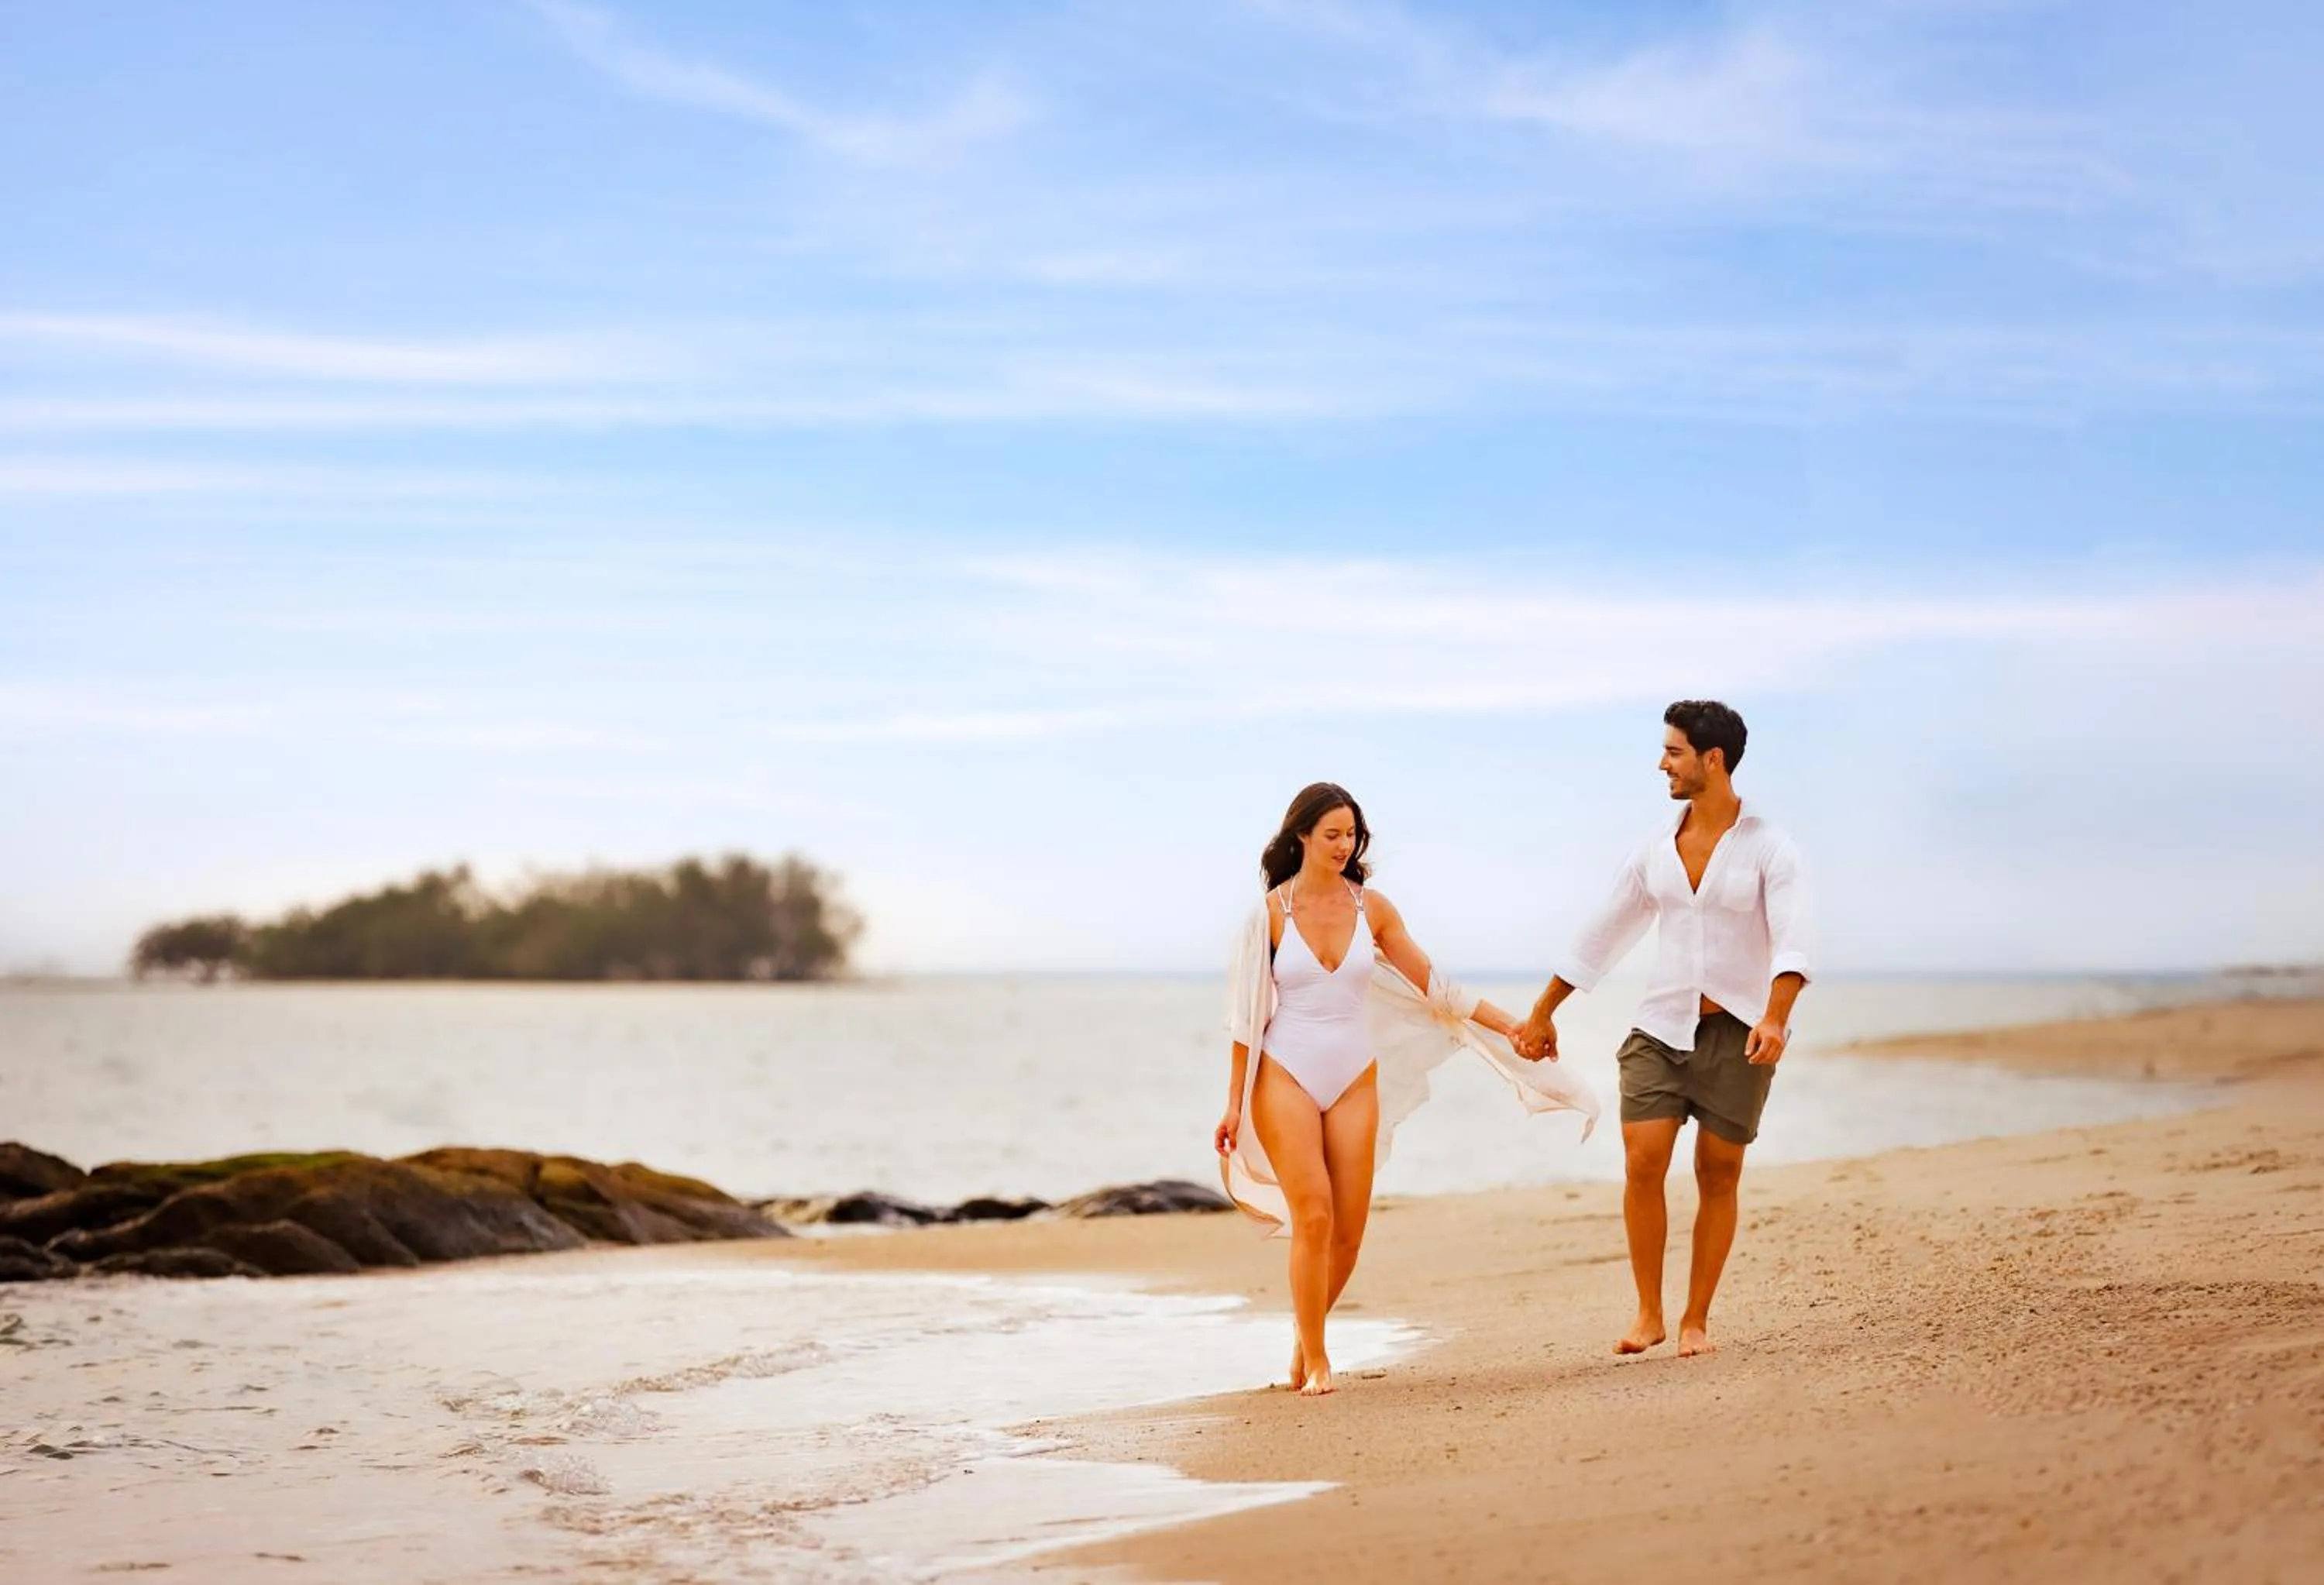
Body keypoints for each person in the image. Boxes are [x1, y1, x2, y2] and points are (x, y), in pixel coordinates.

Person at [1217, 782, 1598, 1395]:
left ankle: (1303, 1334)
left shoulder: (1375, 909)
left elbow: (1436, 988)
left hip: (1352, 1076)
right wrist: (1235, 1104)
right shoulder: (1269, 914)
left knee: (1349, 1233)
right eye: (1332, 834)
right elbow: (1245, 1018)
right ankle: (1317, 1360)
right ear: (1302, 837)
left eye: (1351, 835)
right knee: (1312, 1216)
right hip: (1285, 1070)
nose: (1344, 845)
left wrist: (1514, 1026)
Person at [1513, 701, 1813, 1359]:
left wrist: (1776, 1017)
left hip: (1738, 1033)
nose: (1662, 764)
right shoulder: (1655, 848)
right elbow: (1605, 928)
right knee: (1643, 1163)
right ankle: (1649, 1312)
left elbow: (1793, 939)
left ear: (1713, 759)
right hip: (1660, 1028)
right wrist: (1543, 1011)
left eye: (1673, 752)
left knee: (1719, 1172)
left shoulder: (1771, 847)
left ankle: (1695, 1319)